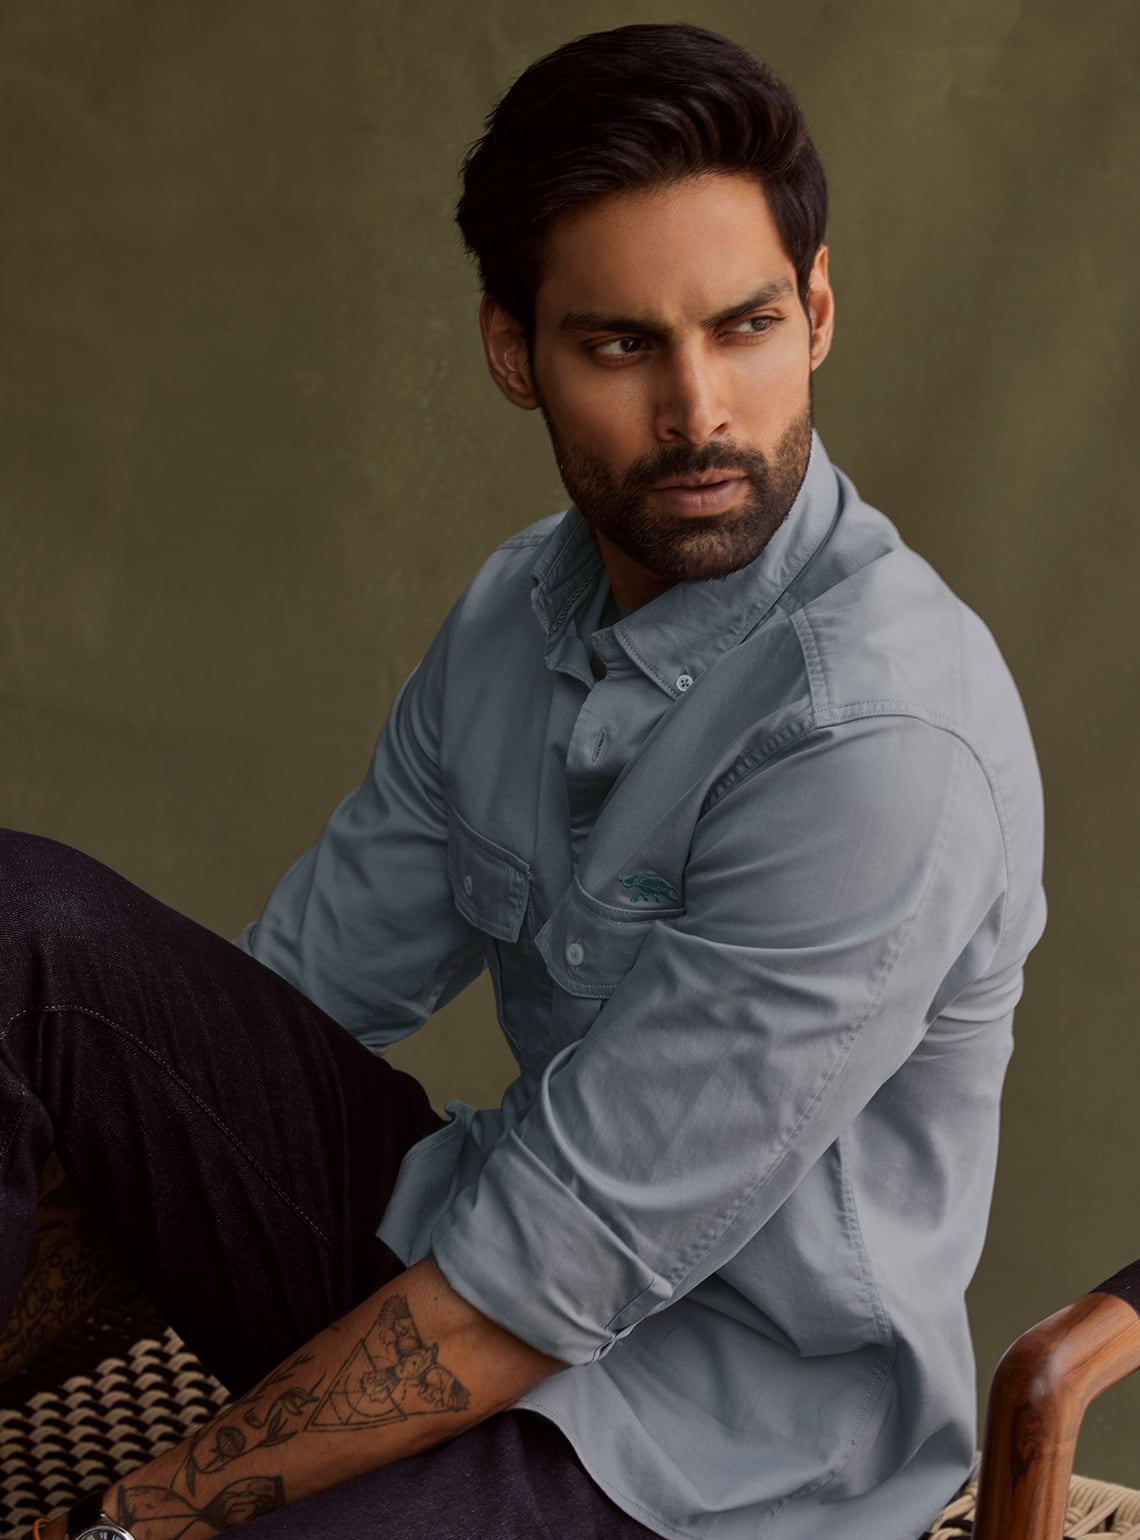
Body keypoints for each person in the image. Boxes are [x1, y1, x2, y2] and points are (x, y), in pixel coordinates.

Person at [2, 21, 1047, 1540]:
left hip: (718, 1460)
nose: (699, 412)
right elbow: (295, 1000)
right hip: (471, 1238)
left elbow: (555, 1275)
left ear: (816, 312)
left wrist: (131, 1520)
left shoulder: (884, 741)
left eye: (745, 327)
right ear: (516, 354)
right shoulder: (518, 609)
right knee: (24, 927)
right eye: (621, 345)